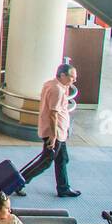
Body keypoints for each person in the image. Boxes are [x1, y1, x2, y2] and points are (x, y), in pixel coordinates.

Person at [18, 62, 80, 197]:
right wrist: (53, 136)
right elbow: (53, 114)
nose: (74, 80)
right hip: (54, 133)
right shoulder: (56, 89)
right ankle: (19, 181)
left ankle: (63, 188)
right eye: (72, 77)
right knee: (45, 161)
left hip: (59, 132)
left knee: (62, 159)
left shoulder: (52, 84)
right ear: (62, 75)